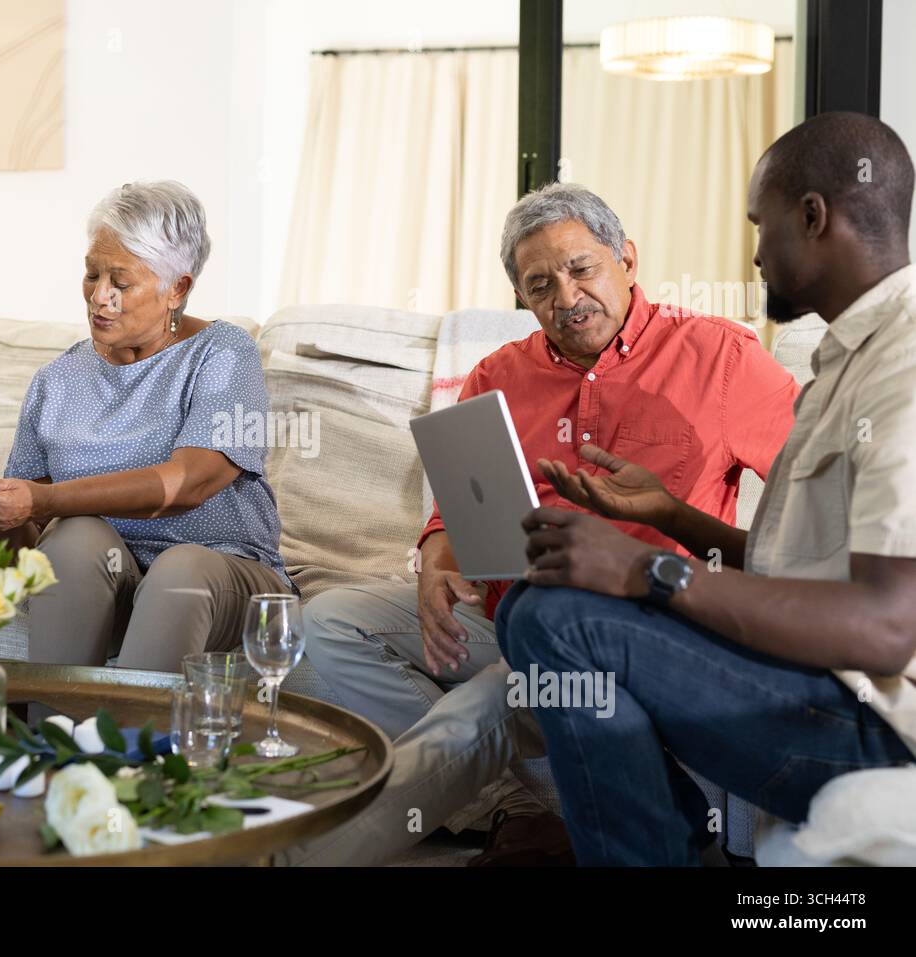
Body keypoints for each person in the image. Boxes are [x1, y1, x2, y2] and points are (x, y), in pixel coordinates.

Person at [293, 183, 798, 865]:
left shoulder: (720, 356)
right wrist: (438, 561)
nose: (566, 297)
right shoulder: (495, 375)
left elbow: (816, 497)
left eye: (582, 269)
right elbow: (456, 509)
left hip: (645, 632)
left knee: (487, 705)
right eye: (540, 285)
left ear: (627, 259)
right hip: (511, 612)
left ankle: (287, 856)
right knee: (329, 620)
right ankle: (518, 806)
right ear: (522, 298)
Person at [499, 111, 916, 865]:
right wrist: (670, 514)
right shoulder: (846, 361)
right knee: (537, 604)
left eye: (761, 225)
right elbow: (803, 573)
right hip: (820, 678)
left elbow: (889, 627)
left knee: (556, 618)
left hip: (875, 724)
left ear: (812, 217)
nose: (754, 254)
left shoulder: (904, 366)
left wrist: (646, 568)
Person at [0, 181, 293, 672]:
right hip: (112, 579)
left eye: (120, 283)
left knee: (178, 571)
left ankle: (130, 726)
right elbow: (29, 524)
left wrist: (45, 500)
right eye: (92, 275)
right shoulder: (57, 379)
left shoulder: (224, 353)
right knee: (74, 538)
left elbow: (189, 482)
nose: (99, 297)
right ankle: (58, 719)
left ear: (177, 289)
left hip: (220, 572)